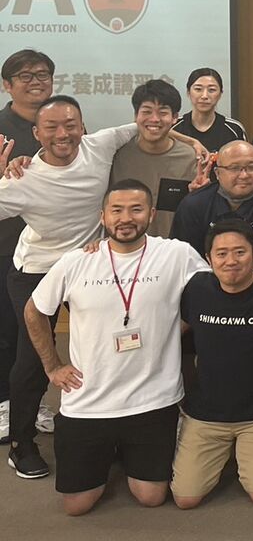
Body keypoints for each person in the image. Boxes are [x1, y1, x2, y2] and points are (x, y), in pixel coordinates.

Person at [24, 179, 208, 514]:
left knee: (150, 497)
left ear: (151, 214)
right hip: (88, 402)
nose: (126, 218)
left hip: (153, 400)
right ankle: (113, 452)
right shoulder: (77, 261)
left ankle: (124, 452)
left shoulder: (176, 254)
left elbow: (217, 291)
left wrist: (172, 328)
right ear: (103, 216)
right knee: (77, 506)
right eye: (117, 210)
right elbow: (34, 310)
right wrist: (53, 366)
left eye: (136, 209)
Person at [1, 96, 145, 479]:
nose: (63, 134)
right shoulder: (21, 178)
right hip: (36, 271)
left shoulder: (101, 145)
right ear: (37, 134)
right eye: (52, 127)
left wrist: (194, 143)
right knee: (34, 357)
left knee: (108, 345)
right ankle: (21, 443)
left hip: (88, 265)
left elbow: (151, 125)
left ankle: (113, 429)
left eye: (70, 125)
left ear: (83, 126)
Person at [172, 221, 253, 508]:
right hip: (205, 415)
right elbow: (171, 334)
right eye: (221, 253)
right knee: (185, 498)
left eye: (240, 252)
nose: (231, 260)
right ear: (208, 258)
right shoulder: (196, 289)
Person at [0, 49, 55, 445]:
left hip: (51, 247)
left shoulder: (59, 121)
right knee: (8, 331)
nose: (35, 81)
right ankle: (6, 402)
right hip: (5, 245)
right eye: (25, 75)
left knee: (39, 334)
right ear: (8, 85)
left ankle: (36, 403)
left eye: (43, 74)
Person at [173, 140, 253, 265]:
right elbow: (182, 259)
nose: (244, 175)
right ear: (217, 173)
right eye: (234, 168)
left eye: (252, 167)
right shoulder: (194, 205)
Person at [110, 79, 199, 237]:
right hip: (127, 247)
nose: (154, 119)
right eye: (147, 112)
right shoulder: (117, 155)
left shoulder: (190, 158)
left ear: (175, 117)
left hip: (175, 247)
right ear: (136, 116)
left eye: (163, 113)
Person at [174, 68, 246, 153]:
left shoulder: (234, 129)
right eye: (198, 89)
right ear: (188, 92)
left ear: (220, 94)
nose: (204, 96)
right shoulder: (173, 127)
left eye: (212, 90)